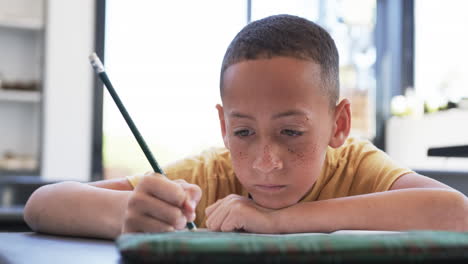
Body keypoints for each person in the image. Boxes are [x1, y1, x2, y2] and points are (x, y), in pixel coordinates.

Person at [24, 14, 467, 240]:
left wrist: (281, 221)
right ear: (223, 126)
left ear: (339, 124)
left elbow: (456, 214)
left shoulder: (355, 168)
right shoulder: (210, 178)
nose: (264, 161)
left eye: (291, 132)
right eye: (244, 132)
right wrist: (130, 216)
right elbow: (43, 205)